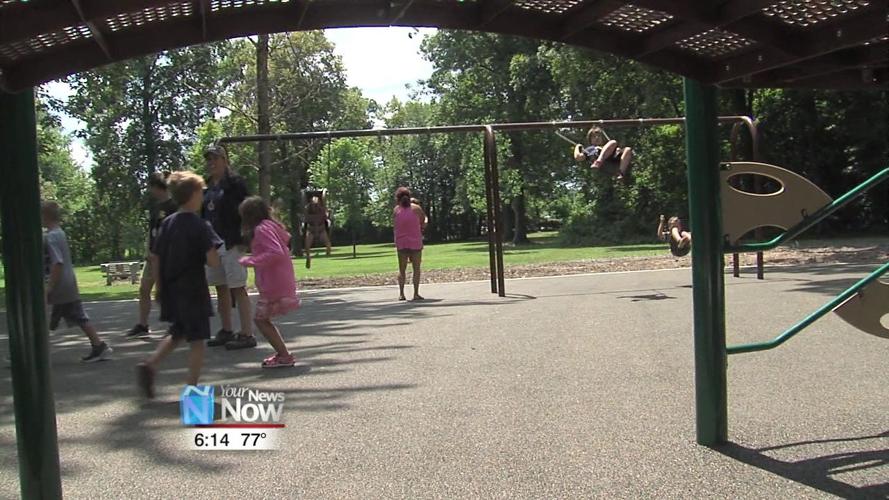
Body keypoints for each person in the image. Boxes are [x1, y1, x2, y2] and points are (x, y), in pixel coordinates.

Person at [137, 171, 223, 398]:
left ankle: (150, 364)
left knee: (178, 331)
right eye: (201, 193)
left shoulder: (167, 223)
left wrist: (158, 286)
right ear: (194, 195)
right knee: (197, 341)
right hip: (193, 289)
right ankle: (192, 389)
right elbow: (213, 261)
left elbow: (155, 256)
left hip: (171, 287)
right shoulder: (199, 225)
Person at [41, 201, 112, 363]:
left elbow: (57, 262)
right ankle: (99, 345)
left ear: (45, 216)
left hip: (60, 286)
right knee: (76, 317)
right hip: (67, 283)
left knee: (40, 317)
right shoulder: (59, 233)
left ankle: (31, 351)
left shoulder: (51, 237)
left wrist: (50, 286)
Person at [201, 145, 256, 350]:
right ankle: (226, 330)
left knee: (237, 287)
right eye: (209, 159)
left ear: (225, 160)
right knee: (220, 286)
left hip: (232, 242)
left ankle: (247, 333)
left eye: (215, 158)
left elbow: (248, 209)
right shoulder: (206, 187)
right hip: (212, 244)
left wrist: (246, 236)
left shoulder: (235, 184)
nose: (211, 163)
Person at [238, 196, 300, 368]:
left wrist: (250, 261)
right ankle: (283, 354)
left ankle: (284, 355)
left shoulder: (261, 229)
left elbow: (275, 252)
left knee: (261, 320)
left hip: (273, 282)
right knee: (262, 319)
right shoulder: (270, 226)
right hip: (279, 279)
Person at [126, 172, 178, 339]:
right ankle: (143, 324)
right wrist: (148, 250)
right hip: (153, 255)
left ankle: (175, 324)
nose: (150, 190)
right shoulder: (156, 207)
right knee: (144, 289)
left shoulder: (173, 206)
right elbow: (152, 231)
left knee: (167, 291)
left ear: (158, 186)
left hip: (167, 256)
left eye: (151, 186)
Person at [393, 187, 427, 301]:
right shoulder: (416, 208)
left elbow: (396, 225)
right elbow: (423, 222)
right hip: (415, 242)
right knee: (416, 269)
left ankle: (401, 294)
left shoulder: (396, 210)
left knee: (402, 270)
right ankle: (416, 293)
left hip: (401, 243)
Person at [303, 195, 332, 269]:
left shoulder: (322, 210)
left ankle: (327, 256)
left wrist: (328, 213)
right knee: (307, 245)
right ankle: (308, 257)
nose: (315, 206)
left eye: (317, 204)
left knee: (328, 244)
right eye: (314, 204)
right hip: (311, 230)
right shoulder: (307, 209)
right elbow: (306, 219)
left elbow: (326, 217)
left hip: (321, 229)